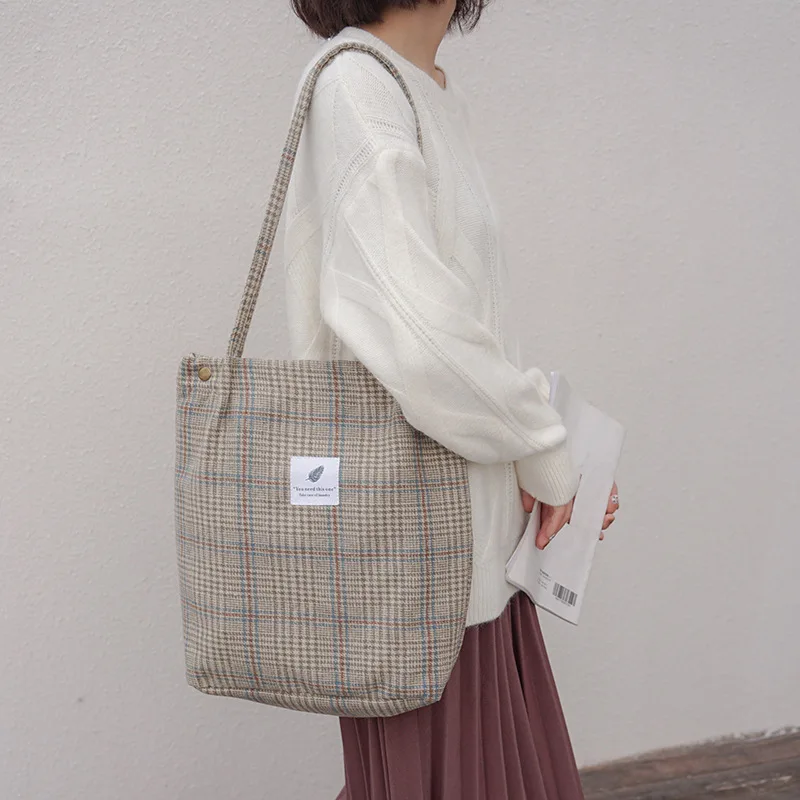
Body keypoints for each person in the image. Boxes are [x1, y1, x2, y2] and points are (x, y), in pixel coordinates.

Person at [284, 1, 621, 797]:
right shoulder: (357, 86)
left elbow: (457, 327)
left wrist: (543, 455)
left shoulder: (423, 89)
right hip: (416, 570)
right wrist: (543, 448)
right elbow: (419, 334)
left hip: (471, 555)